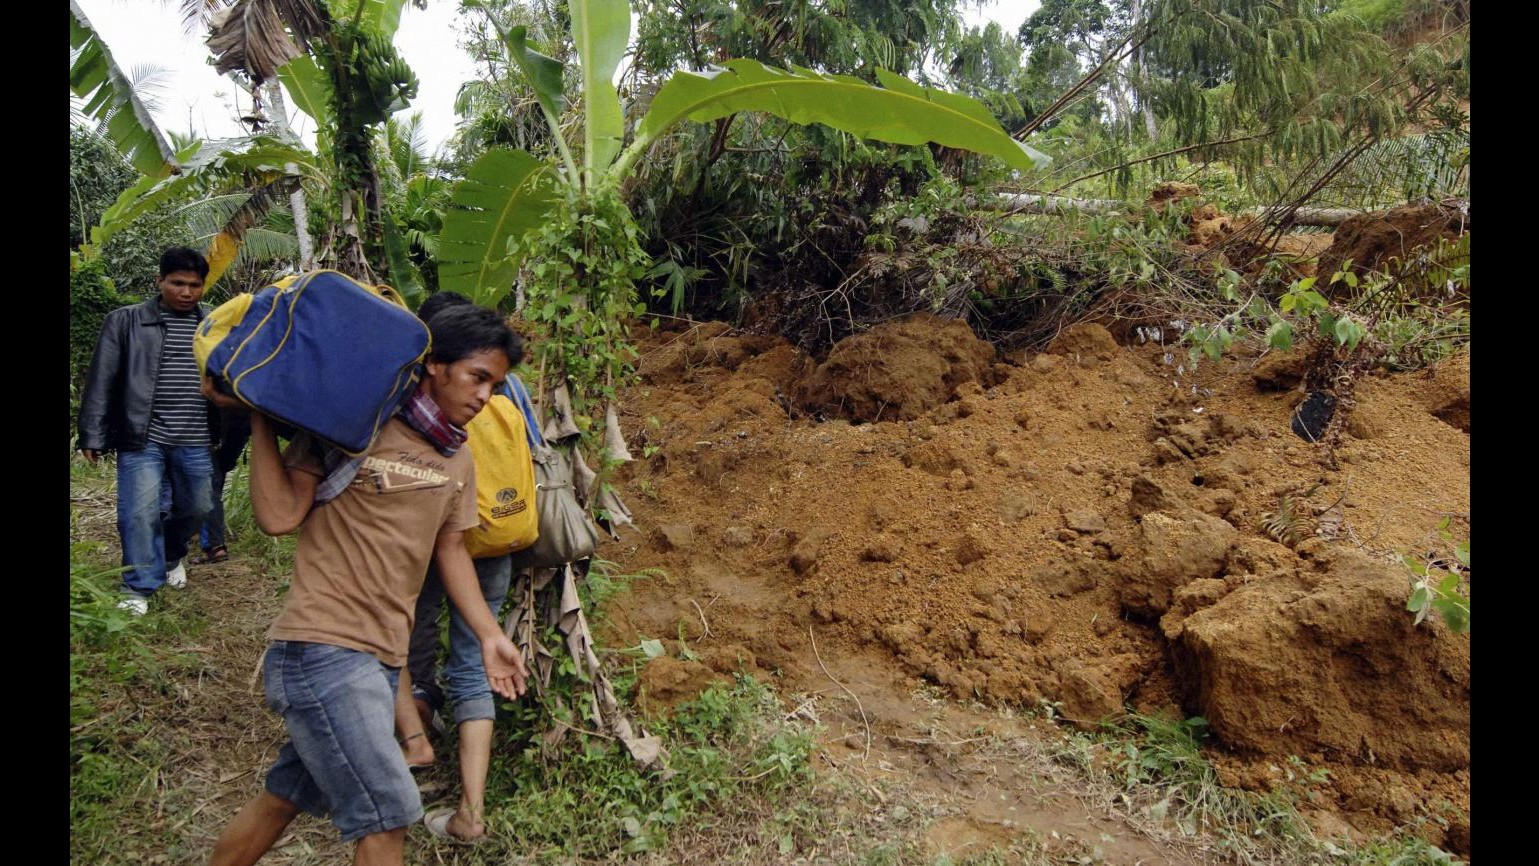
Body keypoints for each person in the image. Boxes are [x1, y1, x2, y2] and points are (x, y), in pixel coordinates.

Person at [203, 304, 530, 866]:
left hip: (380, 658)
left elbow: (450, 549)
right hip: (323, 647)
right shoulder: (356, 425)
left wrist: (488, 633)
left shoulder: (458, 455)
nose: (485, 395)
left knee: (286, 796)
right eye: (477, 376)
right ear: (434, 366)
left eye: (496, 385)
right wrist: (257, 417)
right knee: (390, 812)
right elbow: (280, 517)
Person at [77, 247, 218, 615]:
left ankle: (170, 555)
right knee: (139, 511)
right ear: (159, 281)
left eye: (194, 285)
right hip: (143, 436)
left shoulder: (214, 326)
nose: (186, 292)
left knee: (198, 507)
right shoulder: (125, 321)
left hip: (196, 438)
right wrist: (92, 433)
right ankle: (138, 586)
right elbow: (102, 379)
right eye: (177, 283)